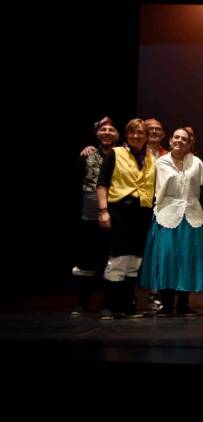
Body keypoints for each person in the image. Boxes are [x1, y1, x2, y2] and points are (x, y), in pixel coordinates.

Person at [141, 128, 203, 317]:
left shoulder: (197, 163)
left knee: (187, 258)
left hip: (192, 215)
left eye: (184, 139)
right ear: (170, 140)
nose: (179, 141)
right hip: (166, 214)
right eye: (176, 137)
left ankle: (184, 304)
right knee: (167, 258)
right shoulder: (160, 162)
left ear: (189, 143)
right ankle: (167, 304)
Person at [96, 118, 156, 319]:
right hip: (120, 210)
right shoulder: (116, 153)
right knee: (118, 258)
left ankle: (127, 305)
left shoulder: (150, 158)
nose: (136, 136)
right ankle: (109, 305)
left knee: (135, 260)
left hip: (142, 213)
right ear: (127, 135)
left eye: (140, 133)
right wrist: (103, 211)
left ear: (146, 136)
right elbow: (102, 183)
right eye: (132, 132)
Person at [71, 117, 117, 316]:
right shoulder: (86, 155)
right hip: (89, 211)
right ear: (96, 133)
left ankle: (108, 303)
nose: (106, 132)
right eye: (102, 129)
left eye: (111, 129)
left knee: (111, 258)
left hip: (114, 210)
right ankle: (82, 302)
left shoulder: (123, 155)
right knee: (86, 258)